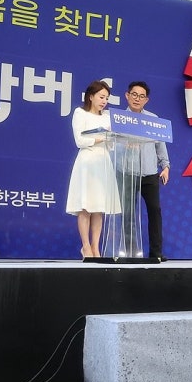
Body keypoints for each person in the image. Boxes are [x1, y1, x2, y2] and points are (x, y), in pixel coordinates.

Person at [65, 80, 122, 259]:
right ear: (91, 96)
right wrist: (99, 139)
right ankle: (86, 247)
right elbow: (80, 141)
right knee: (85, 206)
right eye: (101, 97)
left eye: (106, 98)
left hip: (103, 161)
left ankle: (96, 248)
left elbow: (112, 142)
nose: (104, 101)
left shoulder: (107, 117)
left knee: (99, 207)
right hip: (87, 161)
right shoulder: (80, 113)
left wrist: (111, 139)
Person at [122, 81, 170, 261]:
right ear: (127, 95)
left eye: (141, 96)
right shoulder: (119, 118)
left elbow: (160, 144)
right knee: (128, 214)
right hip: (126, 172)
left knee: (155, 211)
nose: (137, 99)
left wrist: (165, 166)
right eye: (134, 94)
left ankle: (156, 253)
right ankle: (130, 253)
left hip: (150, 172)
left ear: (146, 100)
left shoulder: (153, 119)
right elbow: (113, 145)